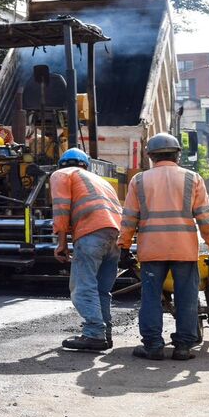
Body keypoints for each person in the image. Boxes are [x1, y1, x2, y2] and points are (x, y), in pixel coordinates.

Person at [119, 133, 209, 361]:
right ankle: (184, 347)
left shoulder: (139, 181)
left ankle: (153, 346)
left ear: (150, 156)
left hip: (151, 250)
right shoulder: (192, 178)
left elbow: (129, 218)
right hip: (183, 250)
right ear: (177, 154)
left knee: (150, 298)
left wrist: (123, 247)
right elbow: (205, 216)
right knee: (186, 297)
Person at [50, 148, 123, 352]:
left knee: (83, 288)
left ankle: (93, 334)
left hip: (90, 234)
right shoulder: (101, 181)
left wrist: (62, 243)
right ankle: (104, 334)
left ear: (61, 164)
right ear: (86, 165)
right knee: (101, 290)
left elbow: (61, 209)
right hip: (114, 236)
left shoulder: (62, 174)